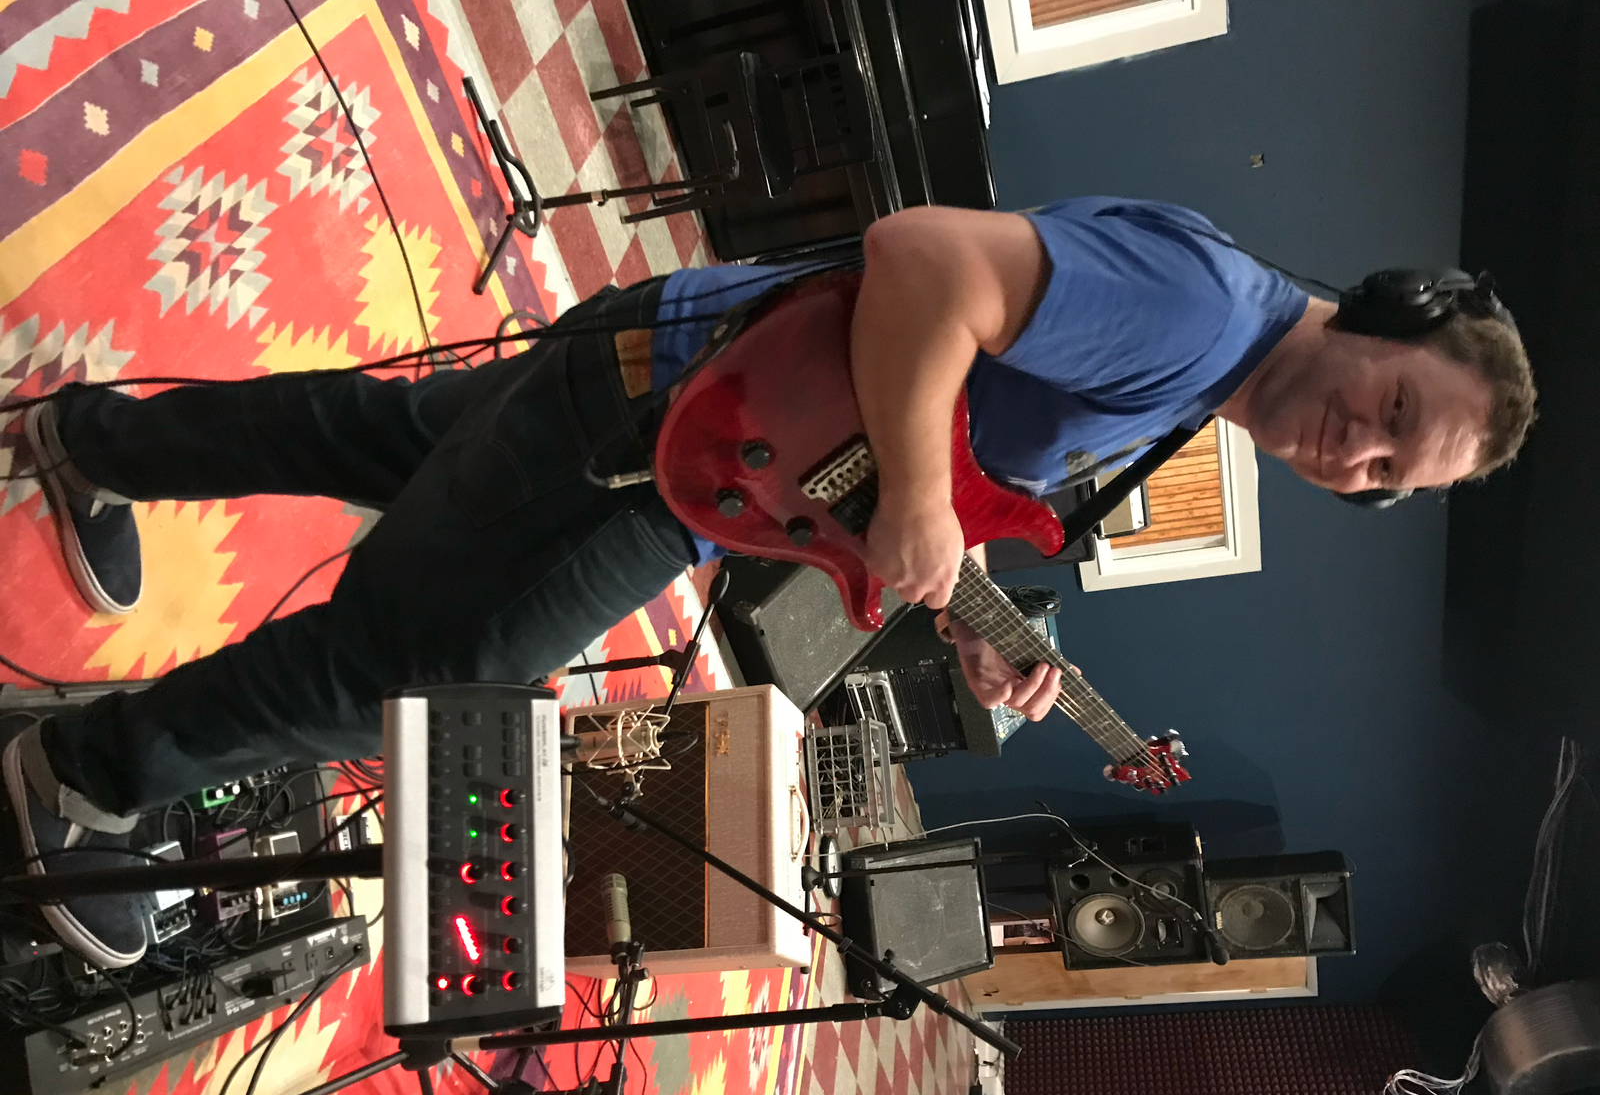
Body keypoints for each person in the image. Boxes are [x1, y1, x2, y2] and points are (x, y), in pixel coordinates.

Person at [0, 197, 1537, 969]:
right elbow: (923, 261)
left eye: (1392, 476)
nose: (1361, 455)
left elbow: (944, 421)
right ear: (1392, 313)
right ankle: (82, 776)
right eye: (1395, 410)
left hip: (676, 368)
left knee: (387, 439)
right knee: (409, 671)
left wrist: (958, 595)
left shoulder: (1214, 355)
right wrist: (920, 504)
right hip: (672, 432)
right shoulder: (1198, 312)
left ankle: (88, 445)